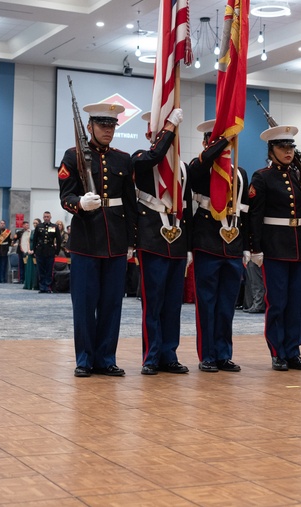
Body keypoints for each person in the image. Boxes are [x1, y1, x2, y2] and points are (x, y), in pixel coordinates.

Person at [58, 102, 137, 377]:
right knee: (84, 305)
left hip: (115, 241)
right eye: (102, 125)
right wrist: (80, 203)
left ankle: (105, 358)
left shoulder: (123, 159)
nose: (108, 130)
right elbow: (65, 197)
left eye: (112, 125)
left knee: (112, 304)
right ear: (90, 126)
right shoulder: (73, 156)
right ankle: (84, 359)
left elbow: (129, 202)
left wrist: (131, 241)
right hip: (86, 241)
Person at [248, 125, 301, 370]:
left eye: (291, 147)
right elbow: (255, 216)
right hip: (275, 248)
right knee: (277, 302)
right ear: (271, 150)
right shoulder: (262, 177)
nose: (288, 152)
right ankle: (277, 351)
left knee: (296, 303)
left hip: (299, 248)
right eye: (282, 147)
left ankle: (293, 350)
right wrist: (256, 248)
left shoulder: (297, 176)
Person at [186, 119, 250, 372]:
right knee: (206, 303)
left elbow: (245, 210)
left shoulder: (240, 173)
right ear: (205, 143)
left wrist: (246, 245)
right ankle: (208, 355)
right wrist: (221, 141)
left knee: (226, 305)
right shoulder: (198, 167)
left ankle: (224, 353)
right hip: (207, 242)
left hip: (232, 244)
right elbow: (200, 168)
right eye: (212, 140)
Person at [131, 108, 188, 375]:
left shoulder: (181, 168)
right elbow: (154, 156)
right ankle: (151, 356)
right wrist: (169, 127)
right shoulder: (140, 158)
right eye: (160, 130)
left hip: (176, 241)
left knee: (173, 304)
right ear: (150, 133)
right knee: (152, 302)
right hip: (152, 238)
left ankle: (169, 354)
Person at [31, 211, 62, 293]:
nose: (46, 218)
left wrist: (57, 251)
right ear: (43, 217)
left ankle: (48, 287)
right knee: (40, 270)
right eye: (45, 217)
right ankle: (42, 287)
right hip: (40, 251)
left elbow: (59, 240)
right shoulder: (39, 226)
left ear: (50, 217)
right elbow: (35, 240)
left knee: (49, 270)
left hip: (50, 251)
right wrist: (34, 250)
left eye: (48, 216)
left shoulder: (54, 227)